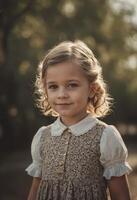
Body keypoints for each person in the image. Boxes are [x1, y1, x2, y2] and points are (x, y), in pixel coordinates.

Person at [26, 40, 132, 200]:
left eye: (72, 85)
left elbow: (120, 196)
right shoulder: (42, 138)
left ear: (92, 89)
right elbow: (35, 190)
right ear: (45, 90)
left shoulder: (105, 137)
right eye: (53, 86)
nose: (62, 94)